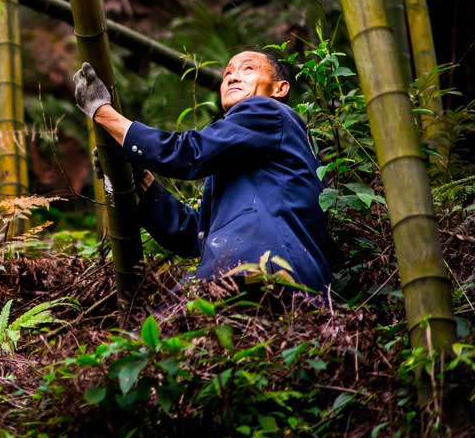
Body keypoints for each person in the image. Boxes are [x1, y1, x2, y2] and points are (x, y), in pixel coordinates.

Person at [73, 50, 332, 294]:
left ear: (279, 88)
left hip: (263, 267)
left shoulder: (267, 112)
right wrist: (141, 178)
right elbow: (193, 235)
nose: (233, 76)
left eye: (248, 69)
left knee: (153, 336)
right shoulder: (250, 151)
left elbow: (188, 153)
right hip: (267, 276)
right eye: (227, 73)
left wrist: (102, 112)